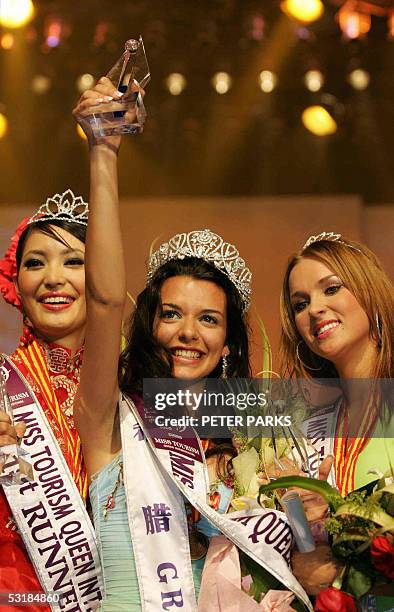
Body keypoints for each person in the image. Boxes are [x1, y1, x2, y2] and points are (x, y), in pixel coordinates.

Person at [73, 78, 311, 611]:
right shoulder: (109, 420)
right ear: (150, 324)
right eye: (171, 314)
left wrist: (309, 541)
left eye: (208, 319)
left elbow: (306, 542)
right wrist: (103, 154)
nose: (188, 333)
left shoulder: (255, 439)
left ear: (227, 342)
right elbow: (105, 300)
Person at [0, 198, 103, 609]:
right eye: (35, 263)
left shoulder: (130, 383)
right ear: (16, 281)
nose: (53, 279)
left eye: (73, 261)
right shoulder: (4, 387)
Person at [279, 231, 394, 594]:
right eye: (300, 304)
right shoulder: (315, 428)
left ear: (369, 290)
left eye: (331, 289)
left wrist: (342, 570)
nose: (314, 309)